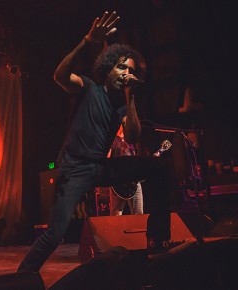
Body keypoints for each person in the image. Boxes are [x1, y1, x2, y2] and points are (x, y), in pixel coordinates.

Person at [18, 11, 196, 273]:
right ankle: (23, 277)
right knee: (55, 234)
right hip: (74, 170)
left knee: (159, 168)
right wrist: (87, 40)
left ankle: (157, 240)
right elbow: (59, 75)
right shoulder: (88, 86)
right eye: (121, 66)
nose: (125, 73)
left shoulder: (121, 104)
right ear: (108, 67)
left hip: (101, 167)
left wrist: (130, 96)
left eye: (130, 70)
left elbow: (133, 136)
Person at [108, 125, 143, 216]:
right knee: (116, 215)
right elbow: (107, 159)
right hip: (118, 182)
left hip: (134, 182)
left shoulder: (133, 141)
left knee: (138, 215)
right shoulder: (112, 140)